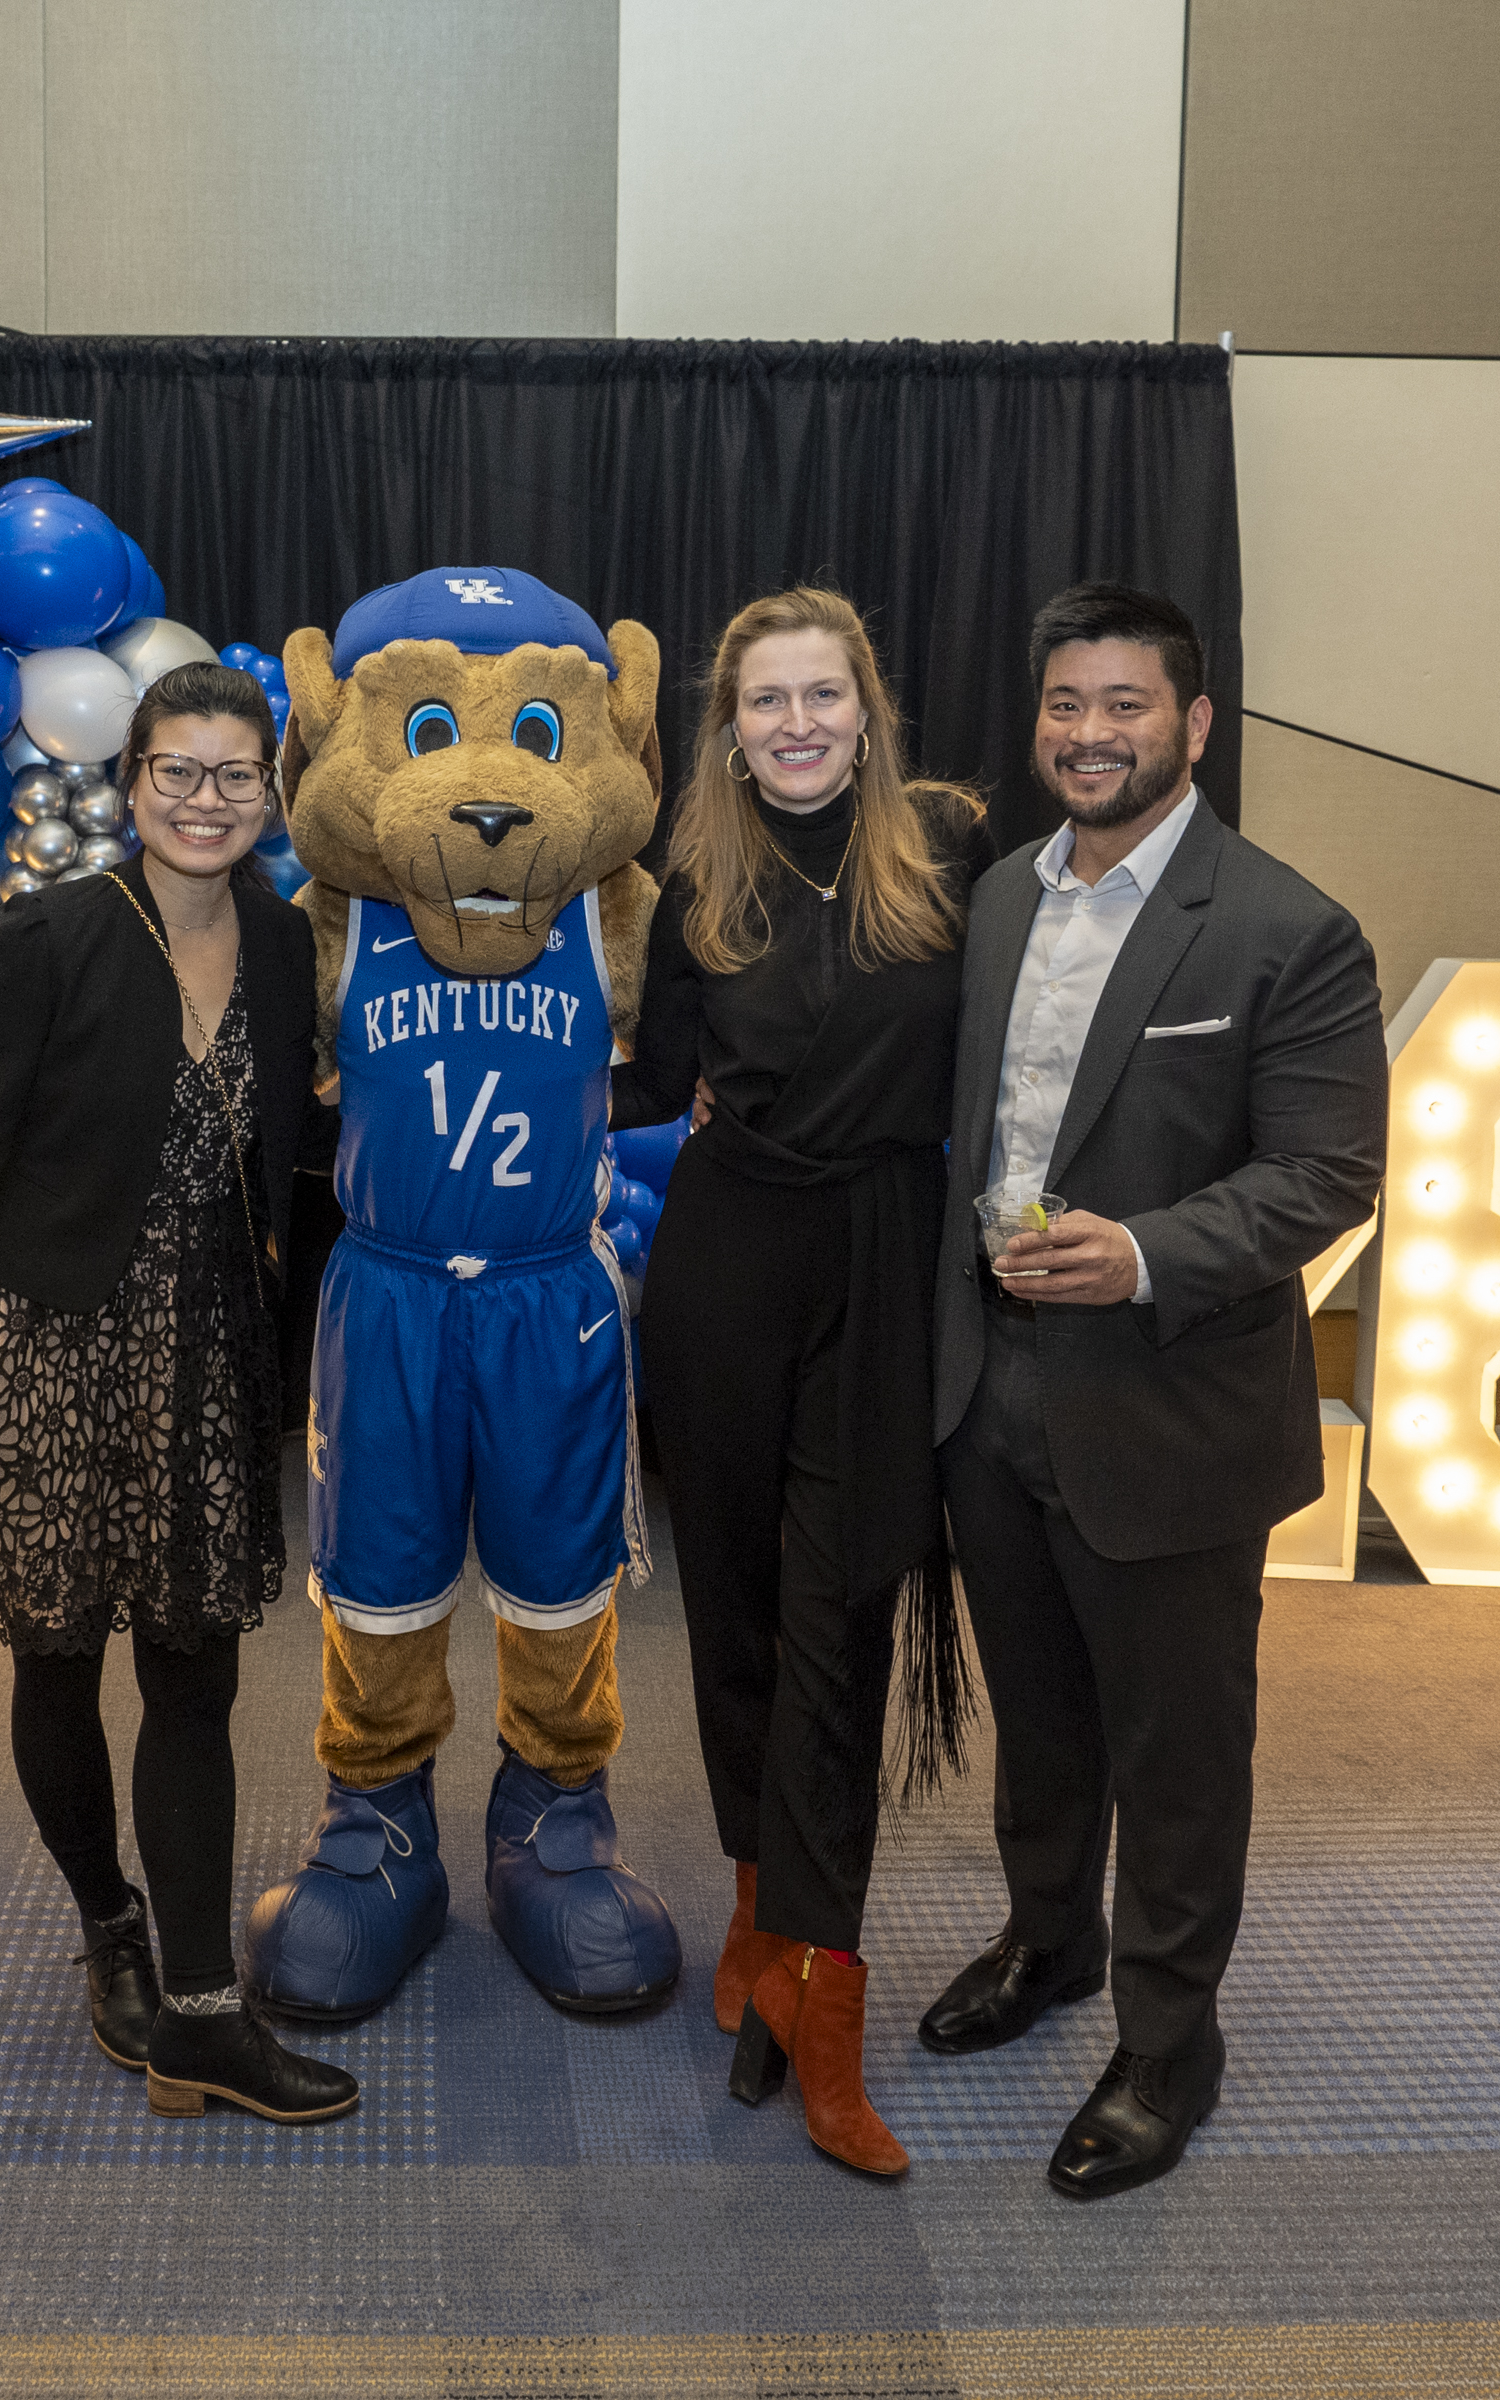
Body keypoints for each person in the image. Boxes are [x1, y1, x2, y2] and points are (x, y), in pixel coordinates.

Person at [923, 584, 1387, 2198]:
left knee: (1178, 1749)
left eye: (1126, 706)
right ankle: (1048, 1946)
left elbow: (1330, 1174)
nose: (1091, 733)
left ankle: (1168, 2040)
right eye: (1066, 705)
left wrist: (1144, 1256)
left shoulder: (1285, 928)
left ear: (1194, 726)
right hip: (992, 1394)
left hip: (1171, 1404)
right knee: (1042, 1723)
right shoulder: (993, 901)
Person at [0, 661, 354, 2126]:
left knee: (195, 1677)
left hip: (213, 1349)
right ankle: (110, 1922)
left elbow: (296, 1138)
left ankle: (202, 2009)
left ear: (268, 794)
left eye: (235, 776)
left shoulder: (288, 948)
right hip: (47, 1350)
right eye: (180, 772)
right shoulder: (47, 937)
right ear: (131, 782)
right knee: (54, 1655)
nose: (207, 801)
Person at [615, 586, 993, 2179]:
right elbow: (644, 1082)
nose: (794, 723)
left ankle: (825, 2001)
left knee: (844, 1620)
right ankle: (760, 1913)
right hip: (725, 1261)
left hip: (888, 1262)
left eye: (820, 695)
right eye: (764, 700)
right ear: (730, 722)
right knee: (745, 1617)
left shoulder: (958, 850)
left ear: (867, 705)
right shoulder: (696, 874)